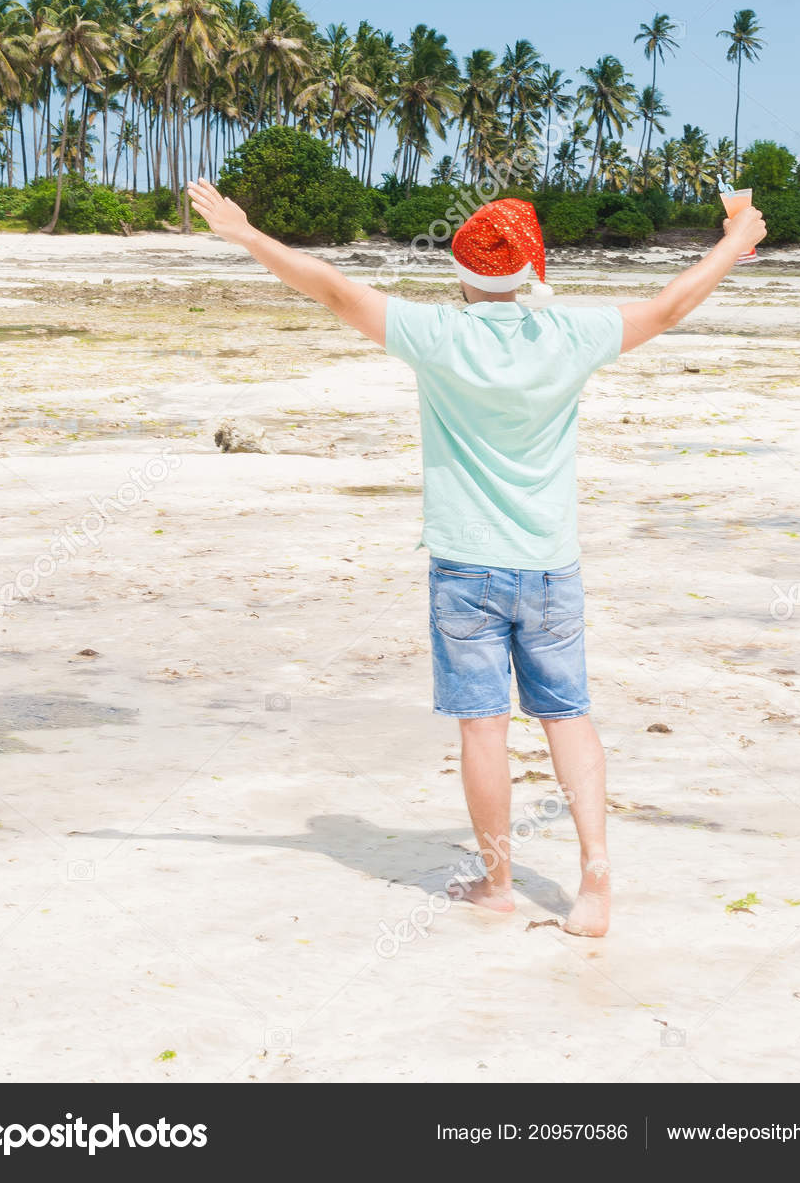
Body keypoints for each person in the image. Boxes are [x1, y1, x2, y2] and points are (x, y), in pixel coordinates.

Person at [187, 180, 766, 937]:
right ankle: (593, 883)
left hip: (465, 568)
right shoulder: (569, 332)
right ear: (534, 269)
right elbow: (669, 307)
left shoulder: (437, 334)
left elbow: (328, 288)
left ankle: (497, 882)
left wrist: (246, 232)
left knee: (483, 729)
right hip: (549, 564)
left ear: (463, 272)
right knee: (568, 717)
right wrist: (730, 242)